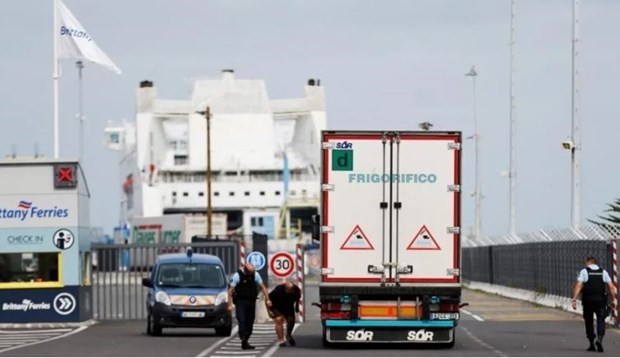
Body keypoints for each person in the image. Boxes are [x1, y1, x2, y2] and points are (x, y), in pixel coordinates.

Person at [571, 256, 617, 353]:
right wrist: (613, 300)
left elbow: (579, 285)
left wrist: (574, 299)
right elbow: (611, 287)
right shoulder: (603, 272)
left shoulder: (584, 271)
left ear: (588, 262)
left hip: (588, 301)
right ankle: (599, 339)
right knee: (601, 320)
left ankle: (591, 342)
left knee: (589, 321)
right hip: (600, 301)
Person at [227, 263, 272, 350]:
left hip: (251, 301)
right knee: (242, 319)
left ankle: (245, 340)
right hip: (240, 301)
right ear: (245, 270)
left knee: (250, 321)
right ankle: (242, 336)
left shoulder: (255, 274)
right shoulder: (237, 276)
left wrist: (268, 299)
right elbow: (230, 290)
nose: (252, 274)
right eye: (250, 272)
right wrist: (229, 304)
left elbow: (263, 287)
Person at [268, 281, 301, 347]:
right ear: (286, 289)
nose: (292, 291)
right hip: (277, 306)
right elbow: (268, 300)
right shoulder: (278, 290)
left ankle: (288, 335)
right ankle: (281, 340)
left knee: (291, 320)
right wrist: (269, 311)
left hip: (288, 306)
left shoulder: (296, 290)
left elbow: (297, 298)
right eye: (291, 290)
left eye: (293, 289)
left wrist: (297, 307)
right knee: (279, 320)